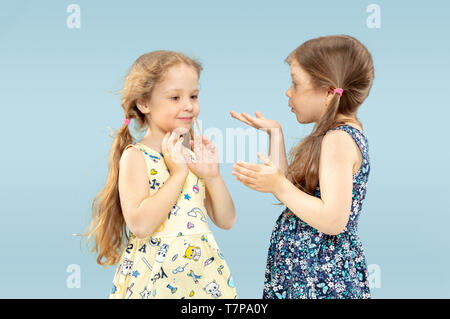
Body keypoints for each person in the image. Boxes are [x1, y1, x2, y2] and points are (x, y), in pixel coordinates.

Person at [230, 35, 374, 299]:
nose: (288, 92)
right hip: (307, 271)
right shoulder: (337, 135)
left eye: (295, 83)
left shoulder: (338, 140)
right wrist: (276, 134)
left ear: (330, 92)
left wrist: (278, 185)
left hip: (320, 277)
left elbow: (333, 220)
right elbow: (300, 199)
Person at [84, 50, 237, 299]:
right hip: (154, 280)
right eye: (175, 97)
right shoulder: (136, 156)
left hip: (202, 276)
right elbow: (141, 224)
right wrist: (177, 175)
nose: (188, 105)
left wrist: (213, 176)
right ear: (144, 103)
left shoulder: (193, 155)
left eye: (194, 96)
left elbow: (226, 220)